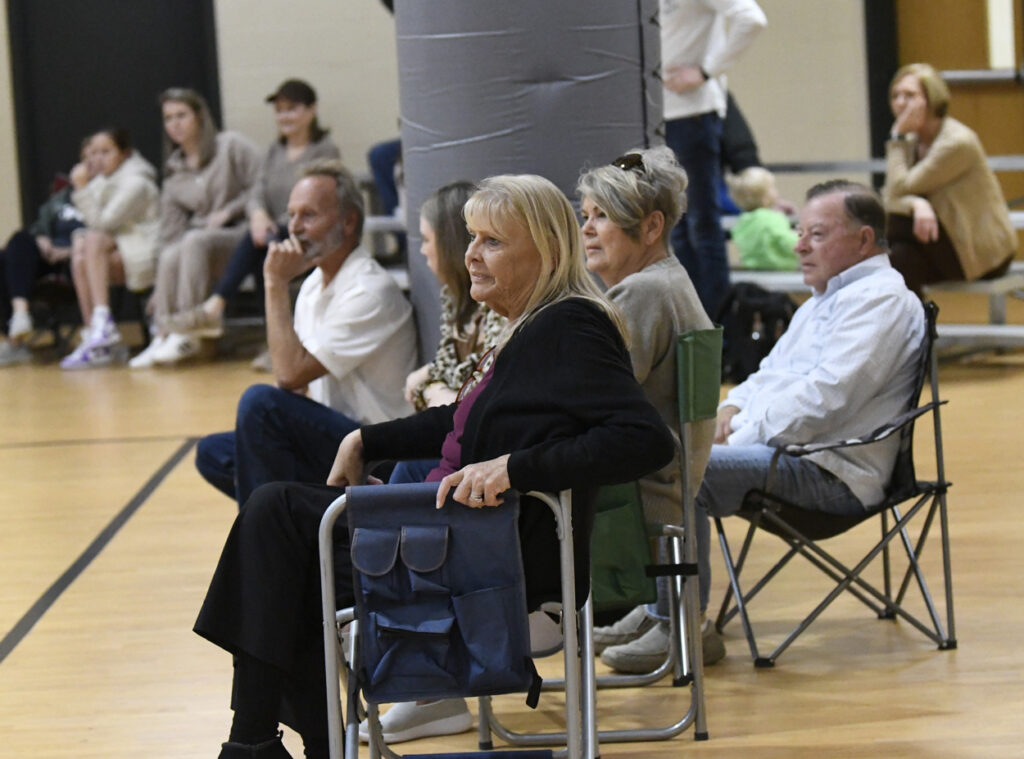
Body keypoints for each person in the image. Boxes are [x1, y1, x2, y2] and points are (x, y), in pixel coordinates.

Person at [194, 174, 675, 758]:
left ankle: (270, 743)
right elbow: (460, 422)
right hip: (456, 539)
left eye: (492, 241)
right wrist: (365, 440)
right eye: (471, 238)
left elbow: (644, 440)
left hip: (493, 563)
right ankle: (279, 743)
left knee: (275, 519)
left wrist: (515, 469)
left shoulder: (571, 325)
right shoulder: (532, 325)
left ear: (546, 250)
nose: (471, 254)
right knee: (280, 541)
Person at [604, 180, 925, 668]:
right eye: (801, 232)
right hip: (793, 455)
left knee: (680, 469)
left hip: (834, 474)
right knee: (667, 457)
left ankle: (681, 626)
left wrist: (733, 434)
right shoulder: (825, 299)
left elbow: (827, 400)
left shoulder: (883, 300)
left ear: (863, 240)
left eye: (817, 234)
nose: (800, 246)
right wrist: (728, 411)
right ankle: (659, 610)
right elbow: (767, 374)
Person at [193, 159, 416, 508]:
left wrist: (274, 283)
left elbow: (289, 373)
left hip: (377, 452)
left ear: (348, 222)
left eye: (308, 215)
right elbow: (293, 385)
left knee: (260, 404)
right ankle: (293, 523)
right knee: (213, 452)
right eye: (291, 215)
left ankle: (266, 533)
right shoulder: (313, 286)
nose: (294, 227)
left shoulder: (370, 290)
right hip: (335, 439)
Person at [575, 147, 723, 672]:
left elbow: (590, 397)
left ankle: (672, 620)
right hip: (677, 481)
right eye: (586, 215)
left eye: (603, 216)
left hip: (646, 496)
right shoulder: (670, 280)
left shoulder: (642, 292)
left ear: (652, 226)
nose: (587, 230)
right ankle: (666, 612)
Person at [163, 79, 341, 361]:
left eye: (292, 109)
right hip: (274, 234)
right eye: (279, 110)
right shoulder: (274, 151)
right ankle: (276, 345)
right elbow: (257, 190)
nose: (284, 116)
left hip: (310, 234)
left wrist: (272, 223)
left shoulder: (325, 151)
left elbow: (317, 202)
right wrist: (258, 214)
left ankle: (215, 307)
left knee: (262, 245)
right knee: (264, 253)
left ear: (312, 110)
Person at [129, 88, 260, 368]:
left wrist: (230, 210)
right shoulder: (174, 172)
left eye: (181, 115)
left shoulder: (231, 145)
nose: (174, 124)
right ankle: (163, 333)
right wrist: (159, 289)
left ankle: (190, 327)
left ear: (199, 116)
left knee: (194, 240)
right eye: (168, 118)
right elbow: (170, 233)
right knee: (170, 253)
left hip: (244, 235)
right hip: (201, 244)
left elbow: (262, 185)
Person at [391, 180, 506, 485]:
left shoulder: (499, 307)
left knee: (407, 466)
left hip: (485, 457)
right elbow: (440, 378)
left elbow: (466, 406)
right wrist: (434, 387)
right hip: (456, 443)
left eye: (426, 239)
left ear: (448, 243)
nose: (422, 250)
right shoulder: (454, 299)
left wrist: (430, 388)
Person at [660, 0, 767, 318]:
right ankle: (691, 323)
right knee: (676, 227)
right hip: (659, 113)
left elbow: (751, 19)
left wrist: (707, 70)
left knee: (701, 227)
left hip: (692, 113)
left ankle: (718, 328)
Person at [882, 63, 1015, 294]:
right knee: (899, 257)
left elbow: (898, 189)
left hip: (981, 253)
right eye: (895, 96)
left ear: (932, 98)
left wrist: (897, 137)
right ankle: (917, 318)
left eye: (910, 96)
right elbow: (889, 196)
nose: (900, 103)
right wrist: (917, 204)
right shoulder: (911, 142)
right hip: (940, 242)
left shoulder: (957, 143)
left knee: (896, 223)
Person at [58, 128, 160, 369]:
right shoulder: (103, 181)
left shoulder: (137, 182)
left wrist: (81, 187)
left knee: (92, 241)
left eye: (105, 152)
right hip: (120, 250)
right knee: (80, 255)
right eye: (93, 153)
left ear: (124, 153)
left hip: (146, 253)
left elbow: (102, 224)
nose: (97, 159)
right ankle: (95, 334)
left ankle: (102, 322)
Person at [0, 139, 93, 366]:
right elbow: (41, 224)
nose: (93, 161)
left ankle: (17, 330)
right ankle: (18, 320)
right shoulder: (63, 196)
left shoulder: (109, 192)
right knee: (18, 241)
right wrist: (42, 238)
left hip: (79, 258)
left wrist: (69, 250)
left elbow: (106, 229)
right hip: (50, 255)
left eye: (102, 153)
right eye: (88, 156)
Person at [726, 166, 799, 270]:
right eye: (773, 187)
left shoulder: (743, 221)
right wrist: (800, 237)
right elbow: (787, 242)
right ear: (765, 197)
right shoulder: (772, 218)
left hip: (752, 271)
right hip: (779, 272)